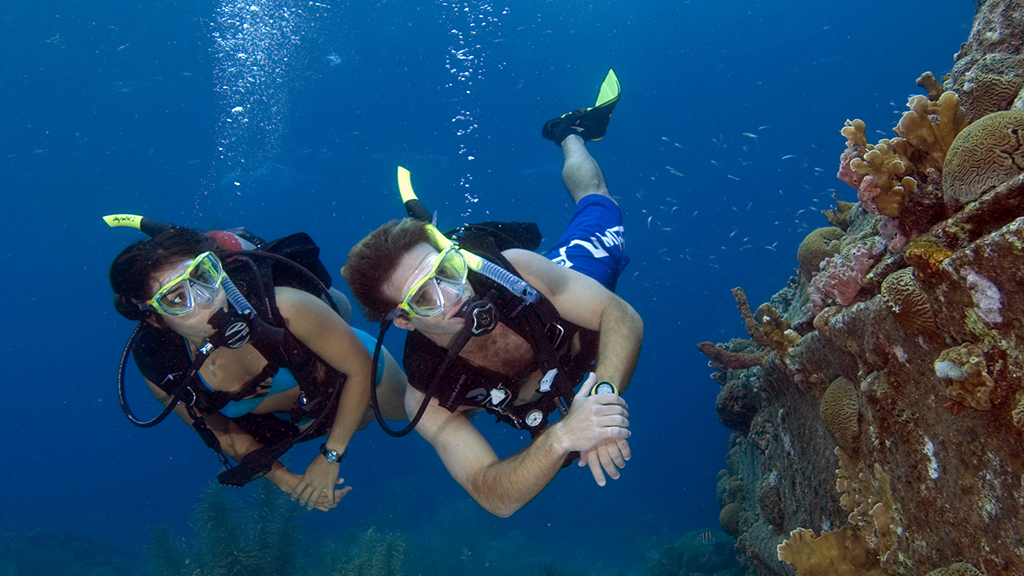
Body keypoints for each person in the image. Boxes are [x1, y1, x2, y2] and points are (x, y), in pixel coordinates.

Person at [343, 70, 643, 517]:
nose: (455, 296)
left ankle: (571, 133)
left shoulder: (517, 270)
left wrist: (602, 398)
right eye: (425, 297)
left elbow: (621, 316)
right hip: (557, 394)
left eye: (448, 270)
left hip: (559, 287)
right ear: (402, 320)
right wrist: (564, 436)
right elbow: (491, 493)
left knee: (599, 203)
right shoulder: (426, 392)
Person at [109, 224, 407, 511]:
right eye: (177, 298)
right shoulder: (165, 371)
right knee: (364, 422)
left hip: (364, 377)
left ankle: (335, 317)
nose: (206, 299)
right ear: (155, 317)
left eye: (203, 276)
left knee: (411, 413)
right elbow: (224, 433)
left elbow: (359, 369)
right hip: (305, 419)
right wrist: (288, 482)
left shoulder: (283, 307)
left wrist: (331, 456)